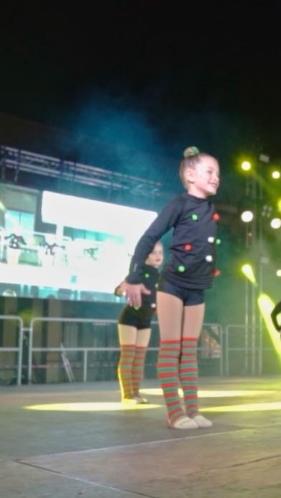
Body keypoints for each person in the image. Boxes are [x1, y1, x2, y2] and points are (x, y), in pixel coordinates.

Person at [120, 147, 220, 429]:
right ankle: (175, 413)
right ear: (190, 175)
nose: (216, 178)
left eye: (218, 173)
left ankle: (193, 410)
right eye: (210, 172)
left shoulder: (210, 209)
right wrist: (133, 276)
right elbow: (148, 237)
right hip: (173, 285)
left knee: (189, 350)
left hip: (197, 288)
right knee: (171, 348)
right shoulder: (179, 203)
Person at [114, 242, 164, 404]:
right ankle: (127, 395)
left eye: (160, 252)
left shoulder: (160, 276)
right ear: (146, 255)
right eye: (154, 252)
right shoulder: (138, 272)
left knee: (140, 358)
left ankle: (136, 393)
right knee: (128, 356)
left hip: (146, 319)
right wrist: (123, 287)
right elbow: (118, 290)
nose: (158, 256)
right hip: (130, 317)